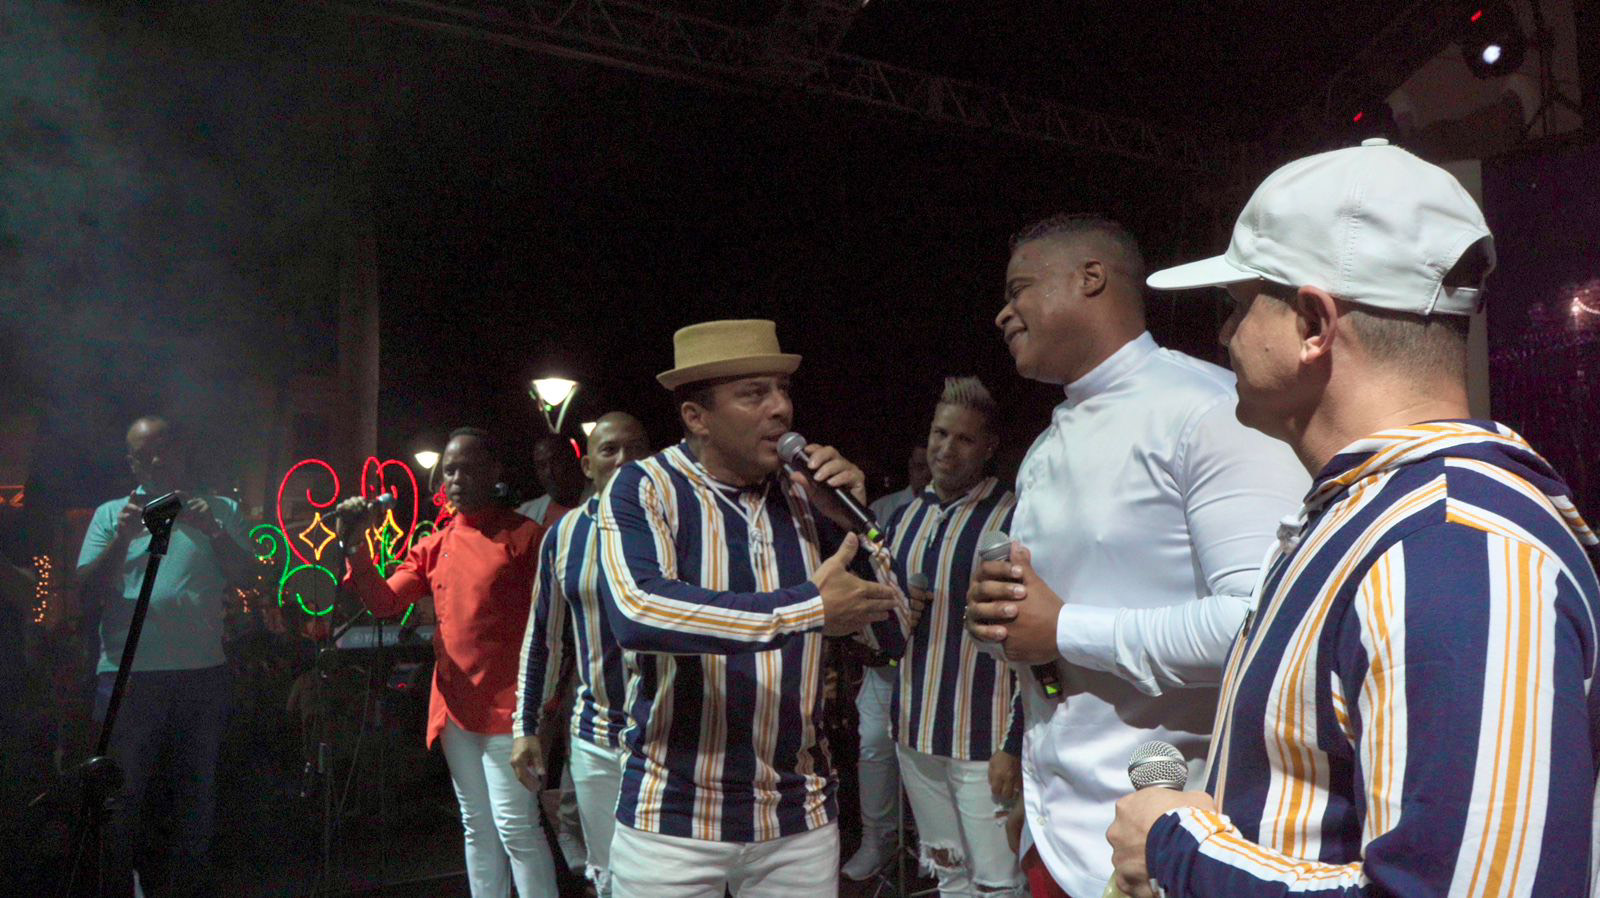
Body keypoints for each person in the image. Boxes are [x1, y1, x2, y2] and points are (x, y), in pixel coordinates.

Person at [1107, 140, 1600, 897]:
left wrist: (1177, 849)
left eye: (1238, 304)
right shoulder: (1379, 516)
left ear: (1313, 324)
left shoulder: (1459, 550)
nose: (1224, 334)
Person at [963, 215, 1307, 898]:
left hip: (1173, 844)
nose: (1003, 313)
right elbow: (1048, 641)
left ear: (1090, 278)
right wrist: (1002, 629)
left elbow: (1265, 626)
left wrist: (1063, 629)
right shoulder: (1043, 448)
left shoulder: (1210, 411)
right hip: (1056, 830)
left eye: (1019, 289)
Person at [597, 318, 915, 897]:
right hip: (673, 816)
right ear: (697, 417)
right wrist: (806, 609)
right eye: (754, 394)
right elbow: (638, 612)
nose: (781, 409)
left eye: (783, 390)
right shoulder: (644, 487)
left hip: (797, 818)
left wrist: (852, 521)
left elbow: (891, 637)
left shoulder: (810, 496)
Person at [339, 427, 558, 898]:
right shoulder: (434, 545)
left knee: (517, 827)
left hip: (511, 710)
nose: (456, 479)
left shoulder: (526, 537)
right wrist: (355, 547)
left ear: (494, 472)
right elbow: (383, 603)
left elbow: (553, 627)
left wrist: (544, 711)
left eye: (468, 469)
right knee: (477, 824)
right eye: (450, 470)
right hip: (456, 708)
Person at [74, 415, 257, 897]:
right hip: (128, 678)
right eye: (144, 455)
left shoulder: (219, 509)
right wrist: (123, 538)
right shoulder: (112, 515)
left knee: (194, 801)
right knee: (121, 800)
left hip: (201, 676)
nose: (156, 461)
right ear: (131, 463)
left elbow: (250, 576)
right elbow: (85, 592)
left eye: (164, 449)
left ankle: (185, 889)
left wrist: (213, 529)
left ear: (182, 451)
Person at [880, 376, 1025, 897]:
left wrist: (1015, 743)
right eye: (940, 434)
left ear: (988, 448)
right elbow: (885, 638)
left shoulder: (1014, 519)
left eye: (964, 439)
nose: (946, 449)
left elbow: (1035, 647)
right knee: (949, 874)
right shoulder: (903, 518)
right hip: (914, 731)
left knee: (998, 884)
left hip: (984, 738)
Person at [511, 411, 652, 897]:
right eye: (610, 450)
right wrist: (525, 727)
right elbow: (542, 638)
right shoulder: (565, 534)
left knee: (669, 877)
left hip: (668, 737)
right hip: (595, 738)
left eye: (636, 449)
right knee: (608, 875)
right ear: (589, 465)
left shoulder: (678, 523)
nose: (624, 460)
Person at [844, 443, 932, 880]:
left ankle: (931, 845)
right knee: (875, 745)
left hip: (935, 661)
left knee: (927, 753)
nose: (924, 471)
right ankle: (876, 840)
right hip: (884, 661)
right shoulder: (884, 511)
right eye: (917, 464)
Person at [520, 433, 593, 528]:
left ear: (572, 460)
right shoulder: (527, 513)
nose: (548, 472)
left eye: (555, 462)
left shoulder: (603, 502)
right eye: (541, 465)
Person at [870, 446, 932, 523]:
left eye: (931, 467)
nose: (926, 474)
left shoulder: (944, 511)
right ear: (910, 466)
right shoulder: (880, 509)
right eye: (920, 466)